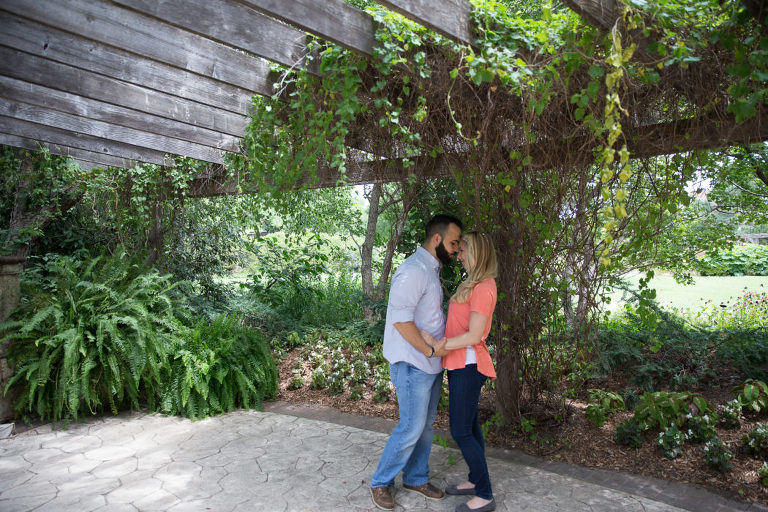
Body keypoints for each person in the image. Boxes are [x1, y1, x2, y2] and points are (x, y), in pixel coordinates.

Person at [370, 214, 463, 511]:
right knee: (411, 426)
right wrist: (430, 350)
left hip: (429, 364)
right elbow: (400, 320)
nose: (456, 249)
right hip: (413, 363)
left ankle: (415, 477)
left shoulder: (430, 269)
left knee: (424, 426)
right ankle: (381, 482)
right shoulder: (413, 270)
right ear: (436, 239)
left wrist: (435, 354)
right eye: (453, 242)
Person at [422, 232, 498, 512]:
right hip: (457, 363)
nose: (459, 254)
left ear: (476, 252)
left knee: (461, 430)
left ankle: (485, 494)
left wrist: (439, 346)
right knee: (471, 427)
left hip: (467, 363)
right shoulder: (473, 283)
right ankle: (476, 481)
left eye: (463, 250)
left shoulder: (484, 288)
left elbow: (474, 335)